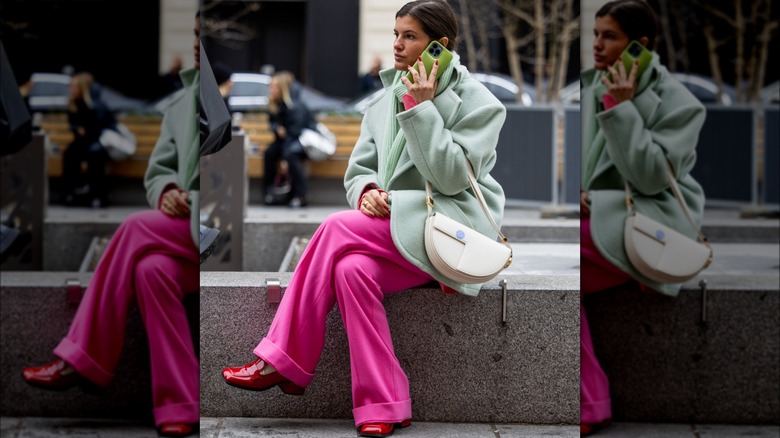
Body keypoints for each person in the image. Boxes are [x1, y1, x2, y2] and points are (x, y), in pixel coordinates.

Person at [221, 1, 507, 436]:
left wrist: (422, 108)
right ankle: (385, 404)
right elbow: (359, 171)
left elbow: (450, 179)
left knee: (335, 226)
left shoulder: (480, 104)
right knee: (351, 270)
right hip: (396, 232)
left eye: (409, 36)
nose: (396, 44)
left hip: (450, 235)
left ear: (439, 46)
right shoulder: (381, 100)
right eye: (395, 33)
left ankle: (282, 359)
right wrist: (368, 192)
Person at [21, 13, 203, 438]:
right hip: (181, 233)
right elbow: (158, 170)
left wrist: (191, 200)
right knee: (149, 271)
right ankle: (180, 403)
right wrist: (168, 190)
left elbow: (227, 183)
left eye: (204, 37)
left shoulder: (224, 102)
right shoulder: (179, 103)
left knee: (136, 228)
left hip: (211, 233)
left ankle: (82, 356)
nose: (197, 44)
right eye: (195, 36)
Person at [579, 0, 706, 435]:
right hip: (603, 221)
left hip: (653, 222)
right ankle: (589, 400)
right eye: (595, 34)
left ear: (640, 46)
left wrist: (623, 108)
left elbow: (651, 178)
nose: (597, 45)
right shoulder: (590, 85)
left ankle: (589, 401)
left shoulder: (682, 104)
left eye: (609, 36)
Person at [61, 71, 116, 208]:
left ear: (82, 89)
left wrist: (83, 130)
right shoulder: (74, 105)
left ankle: (98, 195)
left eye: (74, 87)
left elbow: (98, 129)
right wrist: (78, 129)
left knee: (94, 157)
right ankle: (71, 193)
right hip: (82, 143)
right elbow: (75, 127)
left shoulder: (96, 105)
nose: (71, 90)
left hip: (98, 143)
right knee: (69, 154)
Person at [262, 70, 317, 208]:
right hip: (286, 141)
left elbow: (294, 133)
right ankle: (269, 192)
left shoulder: (295, 106)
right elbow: (275, 125)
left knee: (290, 155)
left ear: (281, 88)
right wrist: (277, 129)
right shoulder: (276, 104)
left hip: (303, 143)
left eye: (273, 86)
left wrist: (285, 160)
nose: (270, 89)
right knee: (269, 153)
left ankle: (301, 195)